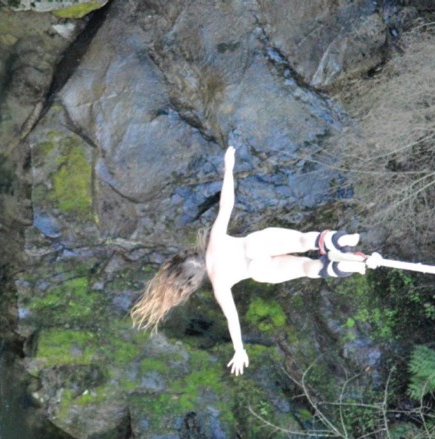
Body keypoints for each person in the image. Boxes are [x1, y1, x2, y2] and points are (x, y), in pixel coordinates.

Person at [131, 146, 368, 375]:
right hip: (256, 244)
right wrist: (229, 169)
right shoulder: (214, 241)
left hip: (259, 270)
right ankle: (345, 239)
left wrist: (239, 350)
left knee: (308, 268)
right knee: (306, 241)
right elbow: (226, 204)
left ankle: (347, 265)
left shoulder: (219, 285)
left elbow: (232, 318)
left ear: (192, 283)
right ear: (186, 255)